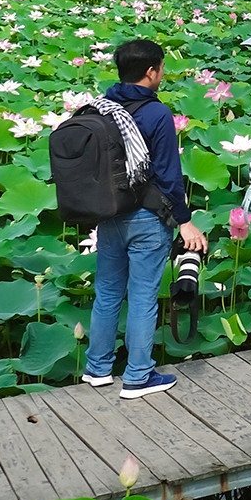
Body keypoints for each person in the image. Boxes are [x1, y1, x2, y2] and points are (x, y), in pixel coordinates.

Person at [82, 39, 207, 399]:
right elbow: (168, 174)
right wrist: (185, 221)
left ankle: (98, 369)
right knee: (141, 297)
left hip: (108, 213)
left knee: (106, 293)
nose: (163, 74)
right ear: (151, 72)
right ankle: (137, 376)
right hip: (148, 218)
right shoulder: (155, 114)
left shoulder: (101, 108)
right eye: (162, 69)